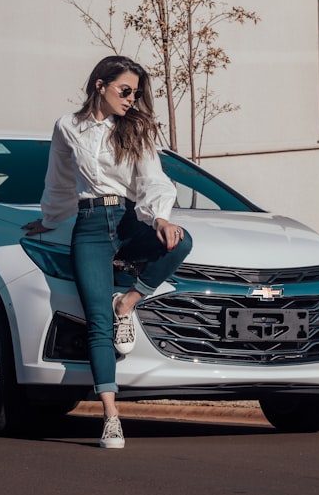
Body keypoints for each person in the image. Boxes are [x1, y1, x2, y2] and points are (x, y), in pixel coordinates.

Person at [22, 55, 193, 449]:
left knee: (182, 241)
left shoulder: (137, 129)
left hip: (131, 220)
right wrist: (49, 220)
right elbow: (60, 181)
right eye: (125, 90)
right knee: (96, 321)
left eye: (136, 93)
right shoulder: (68, 127)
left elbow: (153, 180)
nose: (132, 99)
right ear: (100, 84)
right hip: (90, 227)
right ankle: (111, 417)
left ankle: (128, 303)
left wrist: (161, 219)